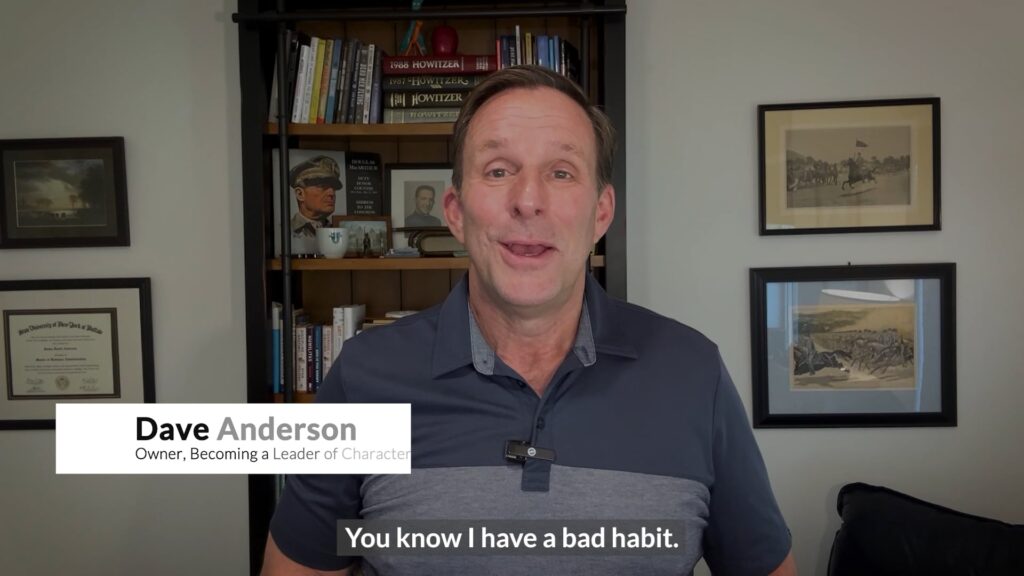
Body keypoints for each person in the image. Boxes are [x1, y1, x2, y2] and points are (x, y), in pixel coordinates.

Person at [262, 66, 797, 576]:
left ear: (601, 213)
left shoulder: (694, 374)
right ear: (456, 212)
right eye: (499, 171)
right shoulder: (363, 376)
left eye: (561, 173)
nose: (528, 201)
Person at [289, 155, 341, 240]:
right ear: (300, 194)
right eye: (322, 186)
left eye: (333, 187)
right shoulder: (283, 231)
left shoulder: (337, 228)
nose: (332, 193)